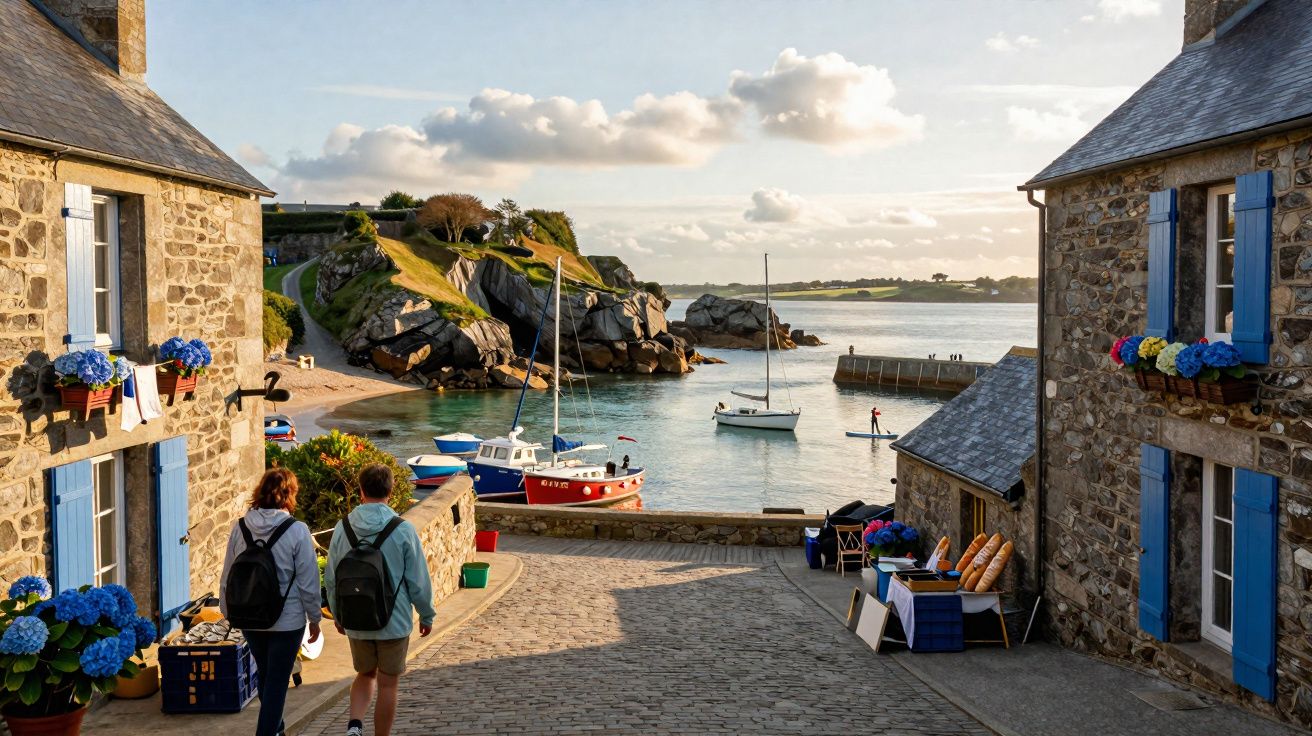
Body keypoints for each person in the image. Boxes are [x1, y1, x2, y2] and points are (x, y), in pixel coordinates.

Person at [325, 464, 435, 736]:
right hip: (393, 620)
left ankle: (354, 725)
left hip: (356, 617)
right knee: (388, 684)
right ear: (391, 490)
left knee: (364, 675)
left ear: (361, 490)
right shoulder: (402, 529)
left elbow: (331, 577)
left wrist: (338, 614)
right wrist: (426, 614)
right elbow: (418, 579)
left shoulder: (344, 528)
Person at [220, 468, 322, 736]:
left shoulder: (240, 527)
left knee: (266, 677)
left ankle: (278, 731)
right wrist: (315, 618)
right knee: (276, 682)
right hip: (287, 620)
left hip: (249, 616)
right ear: (291, 495)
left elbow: (228, 574)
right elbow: (308, 581)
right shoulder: (297, 531)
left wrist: (227, 611)